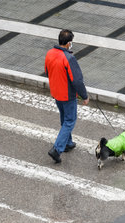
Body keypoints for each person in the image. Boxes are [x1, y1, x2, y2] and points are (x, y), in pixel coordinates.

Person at [45, 29, 89, 163]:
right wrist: (84, 96)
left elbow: (47, 72)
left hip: (56, 93)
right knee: (70, 121)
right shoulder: (69, 58)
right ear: (68, 43)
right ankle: (57, 149)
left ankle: (68, 143)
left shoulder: (50, 53)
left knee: (64, 118)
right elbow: (77, 80)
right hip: (68, 95)